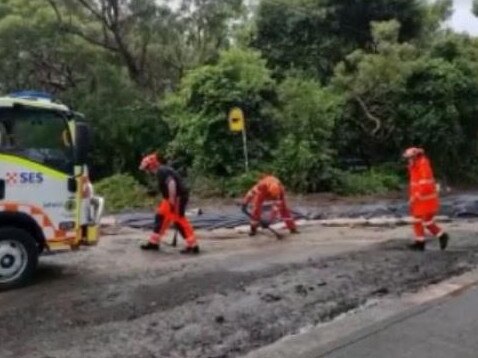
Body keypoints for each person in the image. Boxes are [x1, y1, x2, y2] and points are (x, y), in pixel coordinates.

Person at [139, 153, 199, 254]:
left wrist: (171, 200)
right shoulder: (161, 171)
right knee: (160, 216)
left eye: (146, 168)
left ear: (150, 166)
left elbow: (172, 184)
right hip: (169, 198)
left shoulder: (162, 171)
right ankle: (154, 242)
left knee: (178, 220)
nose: (147, 171)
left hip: (177, 197)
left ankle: (192, 245)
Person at [403, 147, 449, 251]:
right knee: (417, 221)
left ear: (414, 157)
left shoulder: (423, 165)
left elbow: (425, 184)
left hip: (426, 200)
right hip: (419, 200)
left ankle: (441, 236)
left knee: (426, 222)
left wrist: (416, 196)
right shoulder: (414, 166)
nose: (408, 160)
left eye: (409, 158)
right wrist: (413, 197)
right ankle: (420, 242)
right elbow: (415, 184)